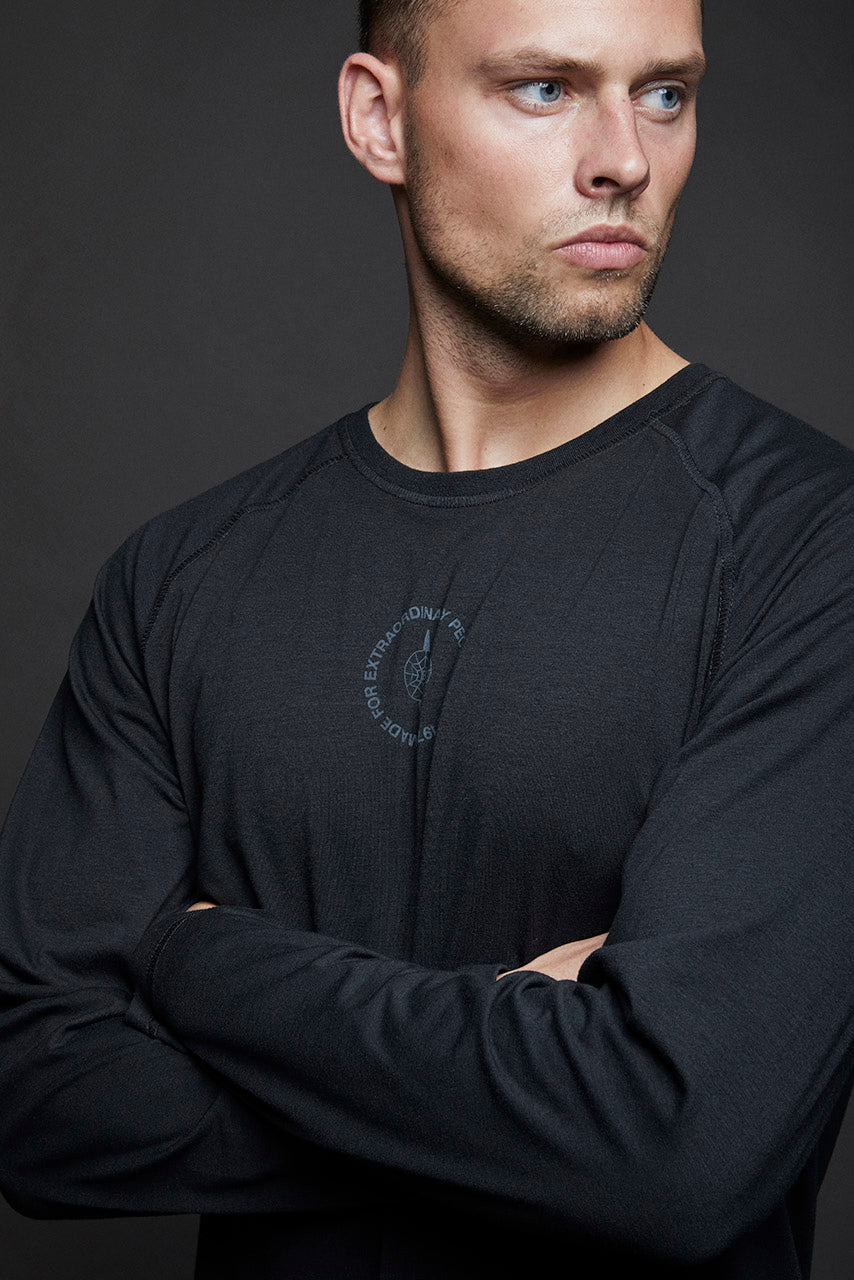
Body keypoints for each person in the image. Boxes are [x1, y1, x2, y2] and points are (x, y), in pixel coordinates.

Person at [0, 0, 852, 1276]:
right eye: (544, 88)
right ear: (378, 119)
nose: (622, 157)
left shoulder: (809, 546)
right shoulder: (180, 574)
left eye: (663, 93)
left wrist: (193, 952)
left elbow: (674, 1144)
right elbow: (36, 1094)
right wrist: (529, 1109)